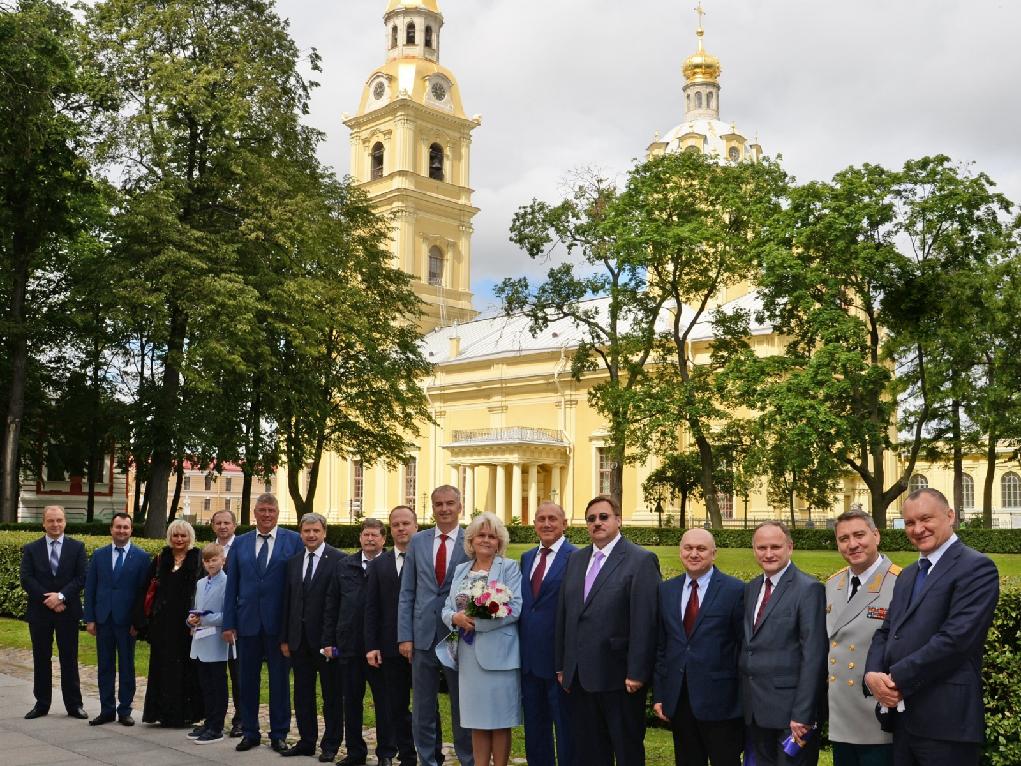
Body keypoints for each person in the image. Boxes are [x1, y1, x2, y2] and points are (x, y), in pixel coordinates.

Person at [864, 488, 1000, 766]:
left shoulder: (977, 568)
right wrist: (871, 675)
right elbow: (887, 630)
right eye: (910, 523)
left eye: (926, 519)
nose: (918, 529)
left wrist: (894, 678)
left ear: (950, 516)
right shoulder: (909, 574)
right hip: (903, 719)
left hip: (946, 723)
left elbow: (955, 641)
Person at [555, 495, 660, 766]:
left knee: (626, 750)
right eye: (591, 519)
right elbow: (565, 615)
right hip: (579, 677)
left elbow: (645, 621)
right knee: (589, 752)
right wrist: (562, 664)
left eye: (604, 517)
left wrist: (637, 672)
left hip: (620, 678)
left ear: (618, 520)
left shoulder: (641, 560)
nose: (597, 523)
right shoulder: (576, 560)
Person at [652, 528, 744, 766]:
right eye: (688, 548)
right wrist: (661, 694)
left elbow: (742, 646)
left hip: (721, 700)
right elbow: (662, 646)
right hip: (680, 698)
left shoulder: (735, 591)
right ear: (680, 552)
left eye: (701, 549)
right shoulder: (666, 591)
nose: (694, 554)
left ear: (714, 553)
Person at [398, 485, 474, 766]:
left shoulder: (471, 540)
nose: (444, 509)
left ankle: (468, 758)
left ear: (460, 506)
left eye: (450, 503)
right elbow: (407, 592)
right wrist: (405, 636)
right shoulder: (418, 541)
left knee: (462, 705)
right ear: (432, 508)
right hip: (422, 637)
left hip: (460, 638)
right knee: (423, 707)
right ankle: (428, 760)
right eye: (439, 504)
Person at [740, 521, 827, 766]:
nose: (768, 554)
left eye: (775, 547)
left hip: (792, 715)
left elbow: (814, 655)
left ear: (790, 547)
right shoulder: (752, 588)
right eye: (761, 547)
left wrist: (803, 713)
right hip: (756, 711)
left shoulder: (809, 589)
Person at [222, 493, 303, 753]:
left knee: (279, 681)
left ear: (277, 513)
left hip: (278, 625)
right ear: (254, 513)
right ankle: (250, 731)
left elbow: (298, 587)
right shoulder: (241, 543)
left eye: (271, 510)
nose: (267, 515)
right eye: (262, 510)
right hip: (246, 624)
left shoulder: (293, 541)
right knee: (247, 681)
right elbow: (231, 585)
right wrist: (228, 622)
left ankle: (279, 733)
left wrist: (293, 626)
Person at [442, 512, 523, 766]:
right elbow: (446, 607)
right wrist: (455, 618)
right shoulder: (460, 570)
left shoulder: (509, 567)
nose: (486, 540)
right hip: (468, 658)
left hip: (500, 657)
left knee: (500, 721)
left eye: (492, 536)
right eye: (481, 535)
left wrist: (478, 624)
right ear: (471, 540)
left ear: (499, 542)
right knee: (476, 720)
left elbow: (516, 608)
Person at [826, 509, 899, 766]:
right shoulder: (832, 585)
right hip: (841, 715)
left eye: (859, 535)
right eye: (843, 539)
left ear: (876, 536)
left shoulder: (901, 582)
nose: (852, 544)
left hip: (877, 716)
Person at [324, 518, 391, 766]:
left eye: (375, 535)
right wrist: (329, 640)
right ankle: (355, 752)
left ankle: (385, 753)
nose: (370, 539)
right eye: (366, 535)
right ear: (360, 538)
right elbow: (332, 605)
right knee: (351, 702)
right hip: (349, 644)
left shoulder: (389, 565)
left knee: (383, 702)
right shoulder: (344, 565)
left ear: (384, 539)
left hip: (380, 647)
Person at [280, 513, 345, 760]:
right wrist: (285, 638)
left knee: (331, 695)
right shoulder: (293, 562)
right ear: (301, 533)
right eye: (306, 531)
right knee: (303, 694)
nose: (311, 535)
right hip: (298, 641)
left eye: (316, 530)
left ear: (324, 532)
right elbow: (288, 602)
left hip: (326, 642)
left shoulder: (339, 560)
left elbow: (341, 604)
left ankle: (331, 745)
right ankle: (307, 741)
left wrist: (335, 640)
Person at [518, 501, 576, 766]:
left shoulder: (577, 558)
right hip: (529, 662)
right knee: (535, 730)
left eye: (553, 519)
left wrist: (569, 660)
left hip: (559, 662)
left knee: (566, 731)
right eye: (541, 519)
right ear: (534, 525)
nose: (547, 524)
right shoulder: (527, 558)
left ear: (564, 524)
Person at [19, 505, 88, 720]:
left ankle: (74, 705)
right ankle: (42, 704)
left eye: (59, 520)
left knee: (69, 658)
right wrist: (48, 599)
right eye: (51, 521)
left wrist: (60, 597)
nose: (55, 525)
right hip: (40, 612)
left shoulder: (77, 547)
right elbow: (26, 578)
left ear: (65, 522)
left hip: (67, 610)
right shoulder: (32, 548)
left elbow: (81, 578)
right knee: (41, 658)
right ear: (44, 523)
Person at [84, 511, 152, 726]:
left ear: (131, 530)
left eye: (126, 527)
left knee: (127, 666)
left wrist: (137, 622)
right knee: (104, 666)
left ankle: (125, 710)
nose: (121, 531)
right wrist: (90, 618)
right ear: (111, 529)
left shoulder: (141, 557)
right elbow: (91, 587)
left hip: (127, 622)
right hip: (103, 619)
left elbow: (143, 592)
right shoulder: (99, 555)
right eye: (118, 527)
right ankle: (106, 710)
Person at [365, 506, 419, 766]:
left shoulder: (425, 559)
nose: (401, 528)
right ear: (390, 530)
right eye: (396, 524)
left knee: (426, 707)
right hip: (389, 647)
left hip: (422, 645)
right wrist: (372, 645)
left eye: (406, 523)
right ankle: (407, 756)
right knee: (396, 706)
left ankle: (434, 756)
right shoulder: (379, 565)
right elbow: (372, 607)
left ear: (416, 526)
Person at [138, 518, 204, 727]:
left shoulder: (197, 559)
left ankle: (184, 714)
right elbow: (146, 588)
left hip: (186, 624)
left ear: (190, 537)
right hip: (163, 624)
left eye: (183, 535)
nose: (179, 539)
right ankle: (162, 713)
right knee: (162, 668)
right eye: (175, 535)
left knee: (186, 668)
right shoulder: (161, 558)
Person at [188, 543, 231, 744]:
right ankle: (208, 720)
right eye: (207, 561)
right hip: (200, 638)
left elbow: (228, 614)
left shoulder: (228, 583)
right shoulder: (200, 583)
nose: (211, 564)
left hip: (216, 640)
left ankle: (217, 726)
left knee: (217, 684)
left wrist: (205, 619)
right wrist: (191, 619)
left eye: (214, 560)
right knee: (204, 684)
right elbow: (197, 608)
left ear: (222, 560)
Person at [211, 508, 243, 737]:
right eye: (219, 523)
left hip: (236, 621)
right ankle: (214, 718)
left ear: (234, 525)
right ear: (213, 526)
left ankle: (241, 719)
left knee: (238, 674)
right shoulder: (207, 550)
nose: (223, 526)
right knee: (214, 673)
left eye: (227, 523)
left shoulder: (242, 549)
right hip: (211, 623)